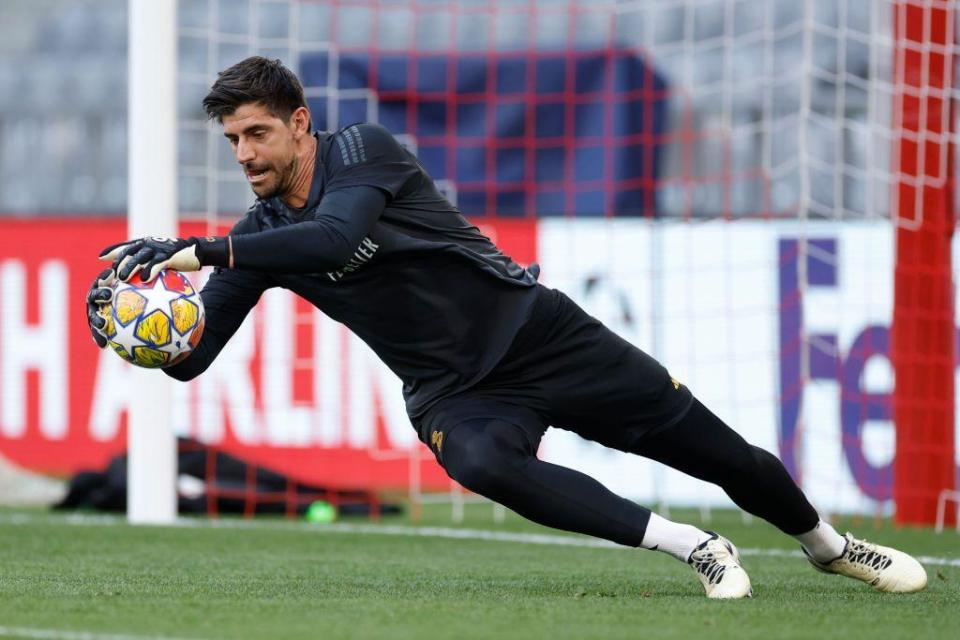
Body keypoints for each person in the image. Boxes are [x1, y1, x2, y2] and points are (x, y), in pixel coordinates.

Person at [86, 56, 925, 599]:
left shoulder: (362, 152)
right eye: (233, 139)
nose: (244, 154)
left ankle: (827, 544)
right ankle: (692, 546)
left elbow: (337, 238)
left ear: (301, 122)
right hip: (456, 393)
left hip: (538, 334)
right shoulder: (260, 240)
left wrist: (196, 251)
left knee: (718, 453)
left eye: (257, 133)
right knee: (484, 463)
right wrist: (139, 336)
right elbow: (193, 363)